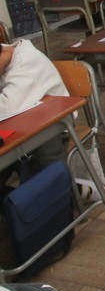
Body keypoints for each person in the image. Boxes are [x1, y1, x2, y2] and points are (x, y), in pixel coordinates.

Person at [0, 39, 69, 186]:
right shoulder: (6, 56)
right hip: (18, 128)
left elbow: (7, 106)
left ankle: (69, 190)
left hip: (53, 128)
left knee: (48, 183)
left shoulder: (25, 63)